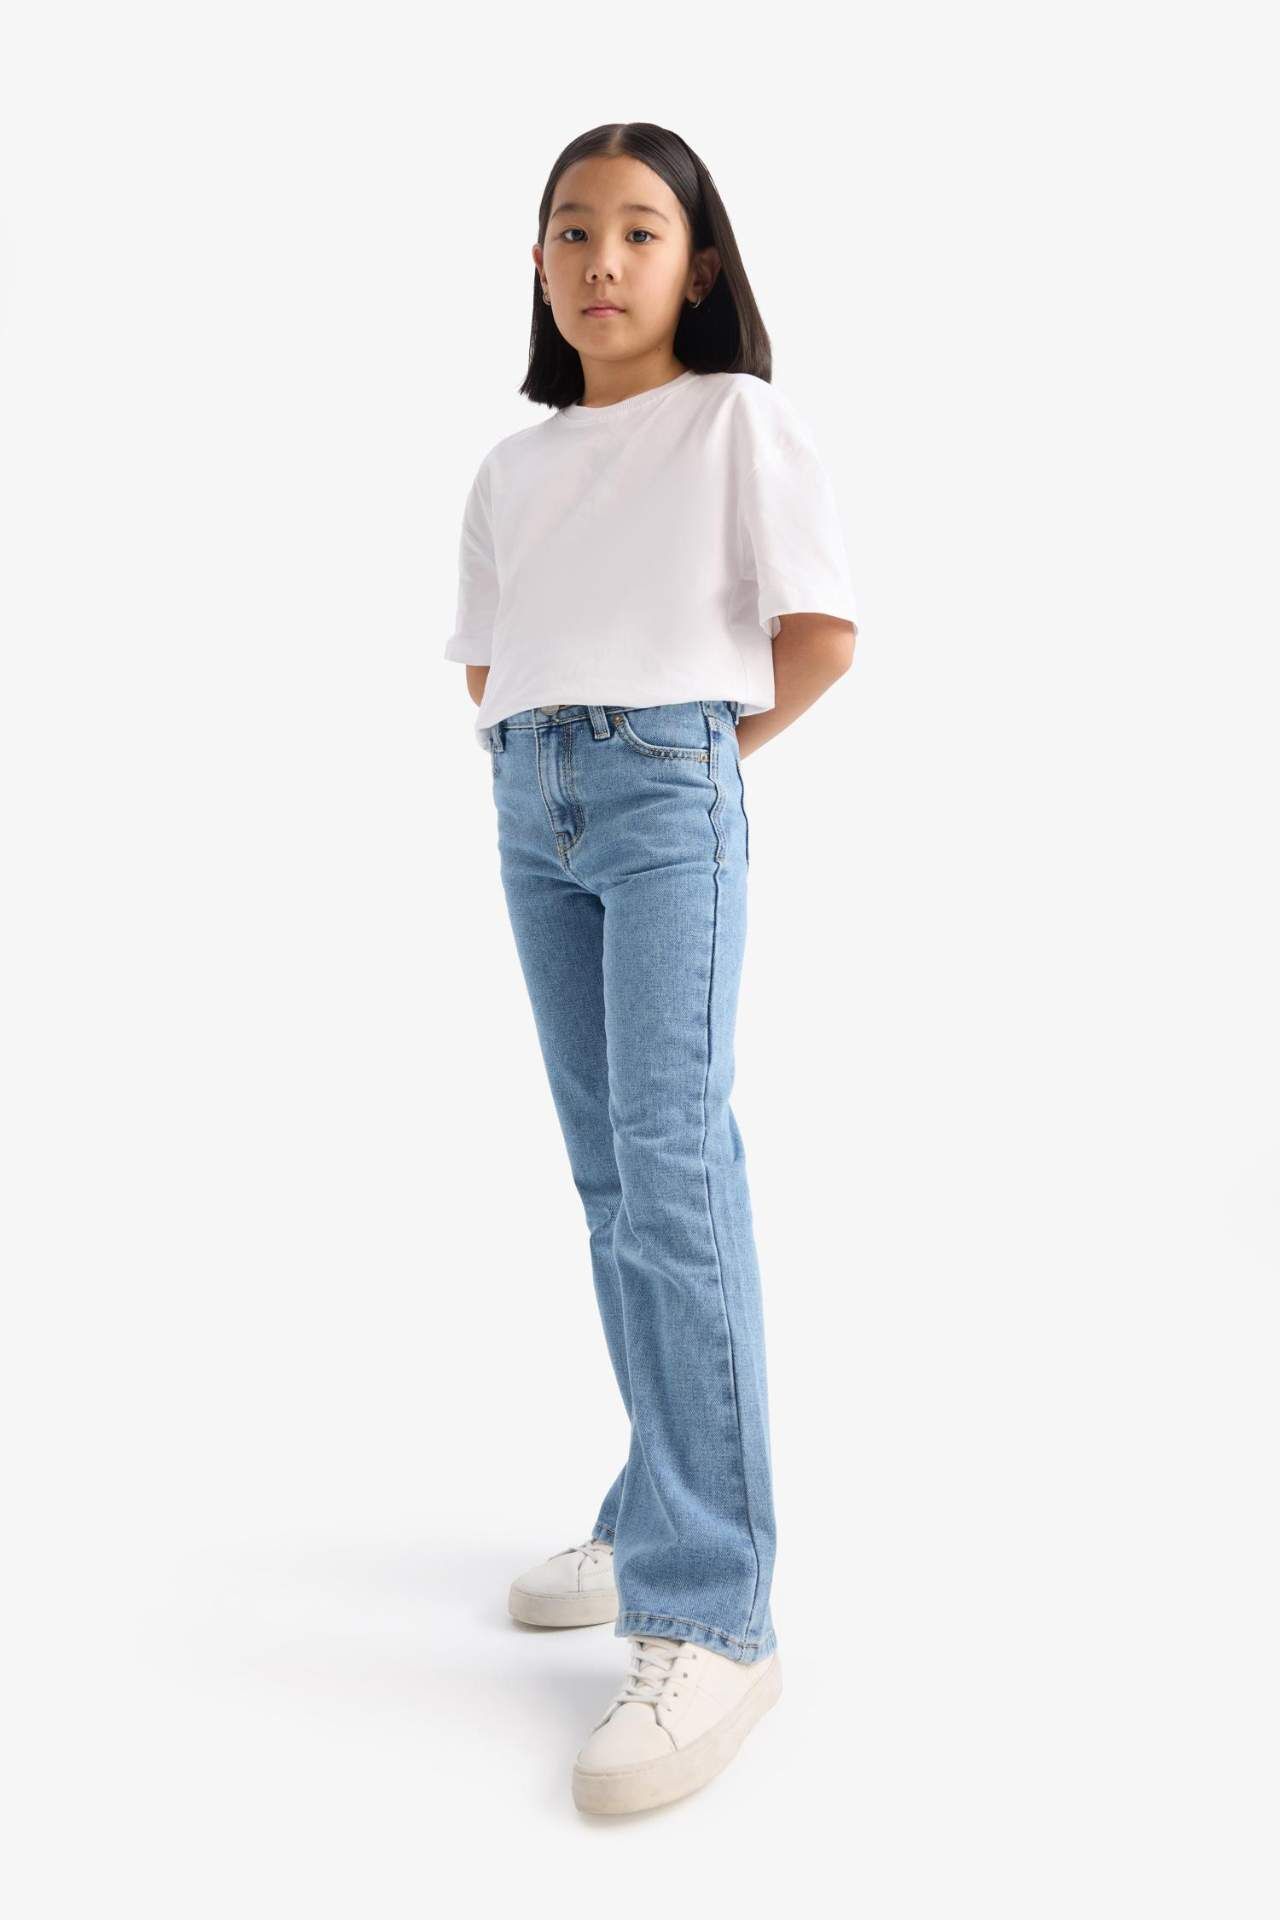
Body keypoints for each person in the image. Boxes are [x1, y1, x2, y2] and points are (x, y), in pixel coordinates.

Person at [443, 122, 859, 1816]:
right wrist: (568, 766)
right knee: (614, 1178)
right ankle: (656, 1504)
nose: (600, 259)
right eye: (570, 230)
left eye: (637, 229)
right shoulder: (512, 467)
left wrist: (688, 768)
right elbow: (491, 667)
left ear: (699, 265)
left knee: (675, 1173)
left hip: (667, 782)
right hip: (529, 793)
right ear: (538, 266)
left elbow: (819, 640)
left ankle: (715, 1613)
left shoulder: (735, 420)